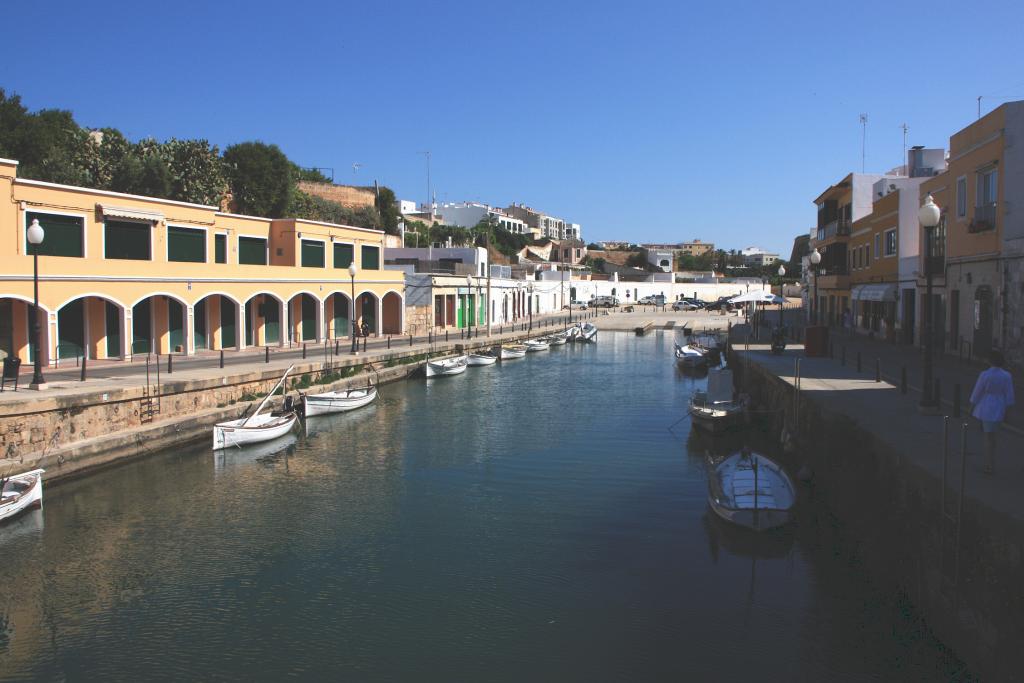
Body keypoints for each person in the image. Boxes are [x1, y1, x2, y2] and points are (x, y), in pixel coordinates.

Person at [969, 350, 1016, 474]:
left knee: (988, 437)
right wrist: (1008, 410)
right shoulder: (1007, 375)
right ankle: (990, 462)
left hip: (987, 406)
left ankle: (989, 464)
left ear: (990, 361)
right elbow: (1009, 394)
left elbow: (977, 392)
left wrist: (971, 406)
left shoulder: (985, 374)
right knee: (993, 436)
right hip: (999, 406)